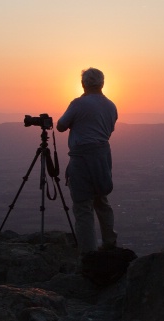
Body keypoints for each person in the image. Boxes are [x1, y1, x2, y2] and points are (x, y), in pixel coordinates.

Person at [56, 67, 118, 254]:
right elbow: (109, 129)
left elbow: (60, 126)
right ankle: (109, 243)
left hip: (82, 157)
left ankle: (88, 254)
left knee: (83, 206)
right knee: (101, 200)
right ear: (102, 84)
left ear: (83, 84)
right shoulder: (111, 105)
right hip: (103, 155)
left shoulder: (78, 104)